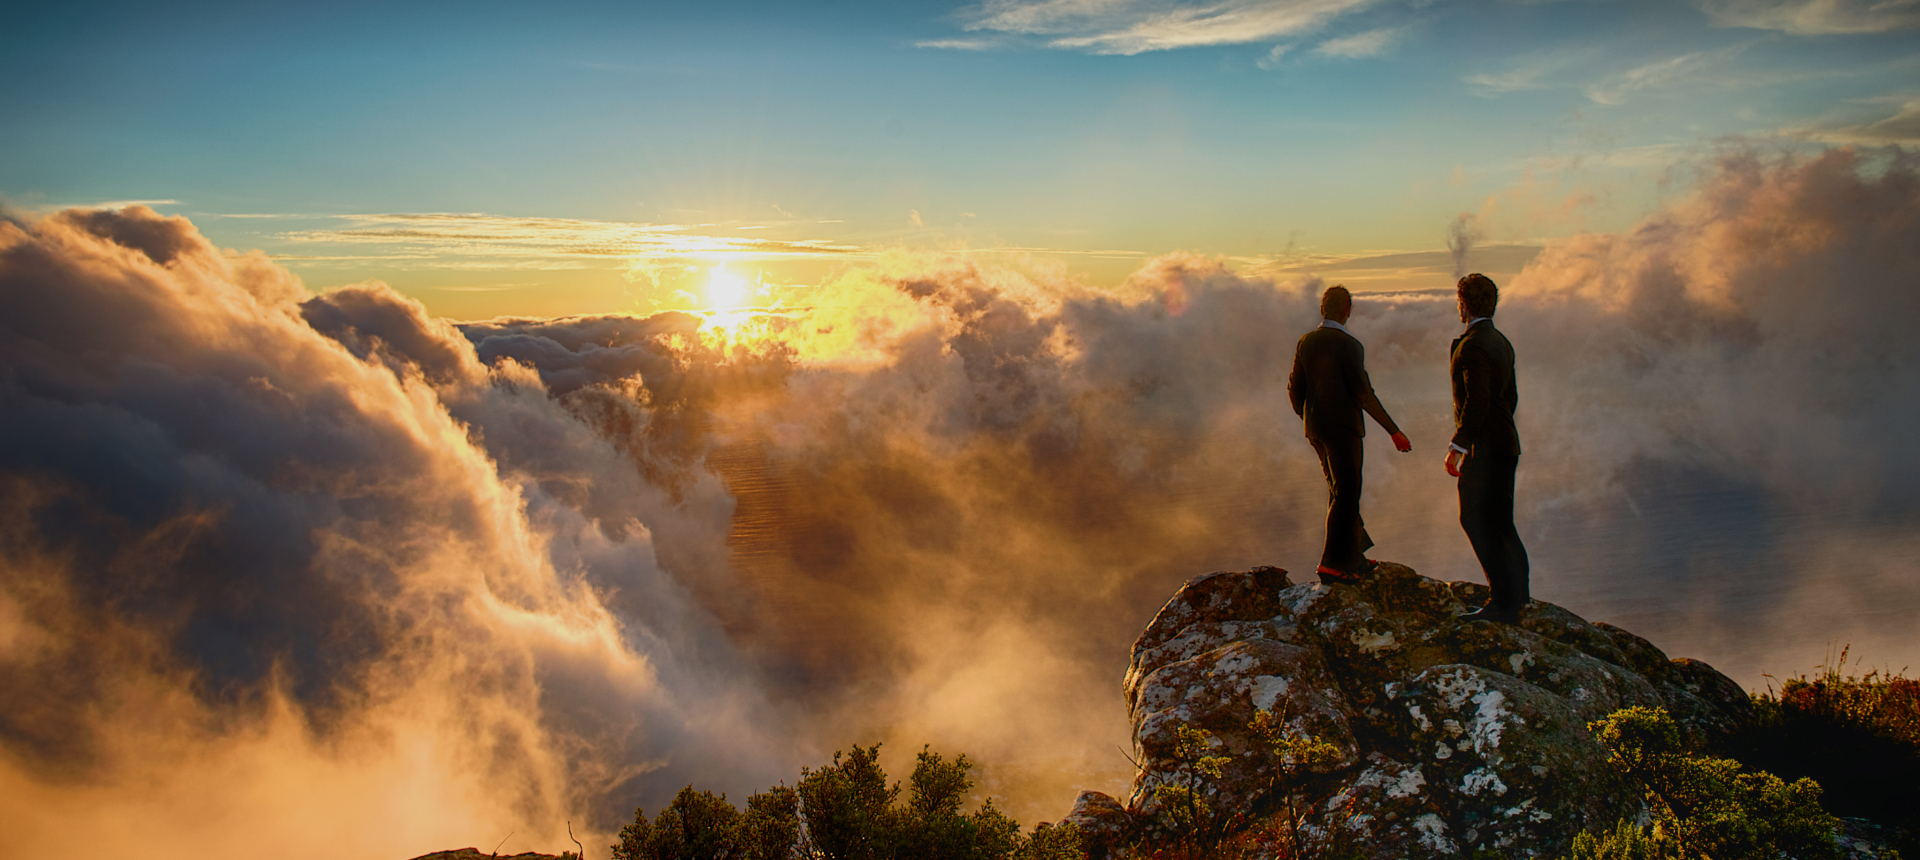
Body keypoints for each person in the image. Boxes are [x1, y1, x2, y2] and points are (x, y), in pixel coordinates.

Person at [1288, 285, 1412, 585]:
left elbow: (1295, 388)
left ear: (1322, 309)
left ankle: (1354, 553)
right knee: (1347, 493)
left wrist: (1309, 419)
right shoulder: (1350, 346)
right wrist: (1394, 431)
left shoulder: (1306, 342)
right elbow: (1363, 394)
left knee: (1337, 490)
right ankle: (1332, 563)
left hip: (1316, 429)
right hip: (1343, 429)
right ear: (1347, 310)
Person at [1444, 273, 1529, 623]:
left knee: (1475, 518)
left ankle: (1502, 601)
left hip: (1485, 447)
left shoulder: (1474, 345)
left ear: (1463, 304)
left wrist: (1458, 445)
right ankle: (1518, 595)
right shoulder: (1500, 341)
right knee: (1502, 521)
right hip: (1506, 442)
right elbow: (1510, 396)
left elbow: (1477, 401)